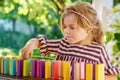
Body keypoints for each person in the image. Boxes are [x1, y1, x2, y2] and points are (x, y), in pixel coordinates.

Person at [21, 1, 120, 75]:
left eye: (72, 27)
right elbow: (43, 43)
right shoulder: (63, 44)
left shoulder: (98, 51)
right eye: (65, 27)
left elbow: (112, 77)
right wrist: (33, 42)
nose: (66, 31)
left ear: (88, 29)